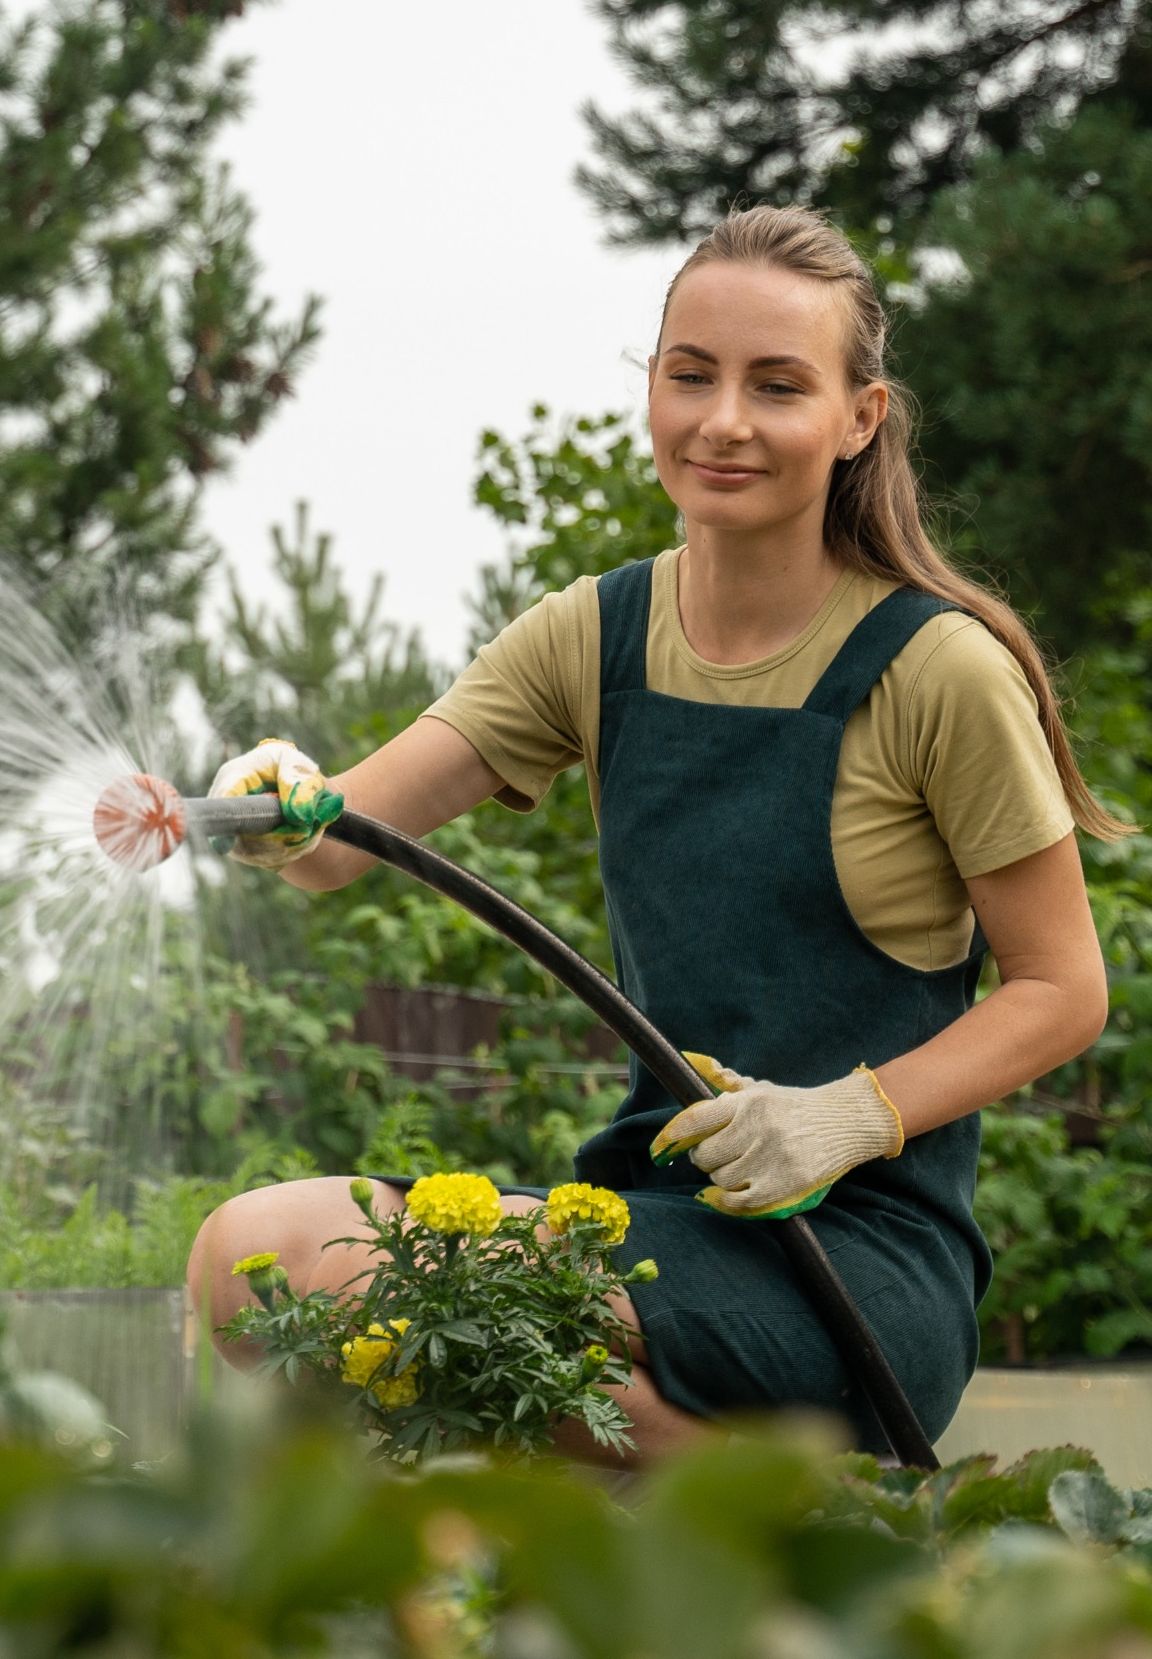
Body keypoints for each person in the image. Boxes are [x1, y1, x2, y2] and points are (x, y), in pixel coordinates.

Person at [187, 203, 1119, 1468]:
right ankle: (725, 1510)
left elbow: (1065, 989)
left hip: (856, 1263)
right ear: (655, 388)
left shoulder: (938, 671)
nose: (723, 421)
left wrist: (852, 1114)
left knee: (448, 1339)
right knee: (255, 1262)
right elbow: (350, 838)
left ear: (860, 418)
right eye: (692, 375)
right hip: (648, 1215)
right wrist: (280, 796)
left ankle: (795, 1508)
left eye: (777, 386)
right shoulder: (596, 635)